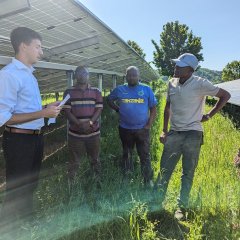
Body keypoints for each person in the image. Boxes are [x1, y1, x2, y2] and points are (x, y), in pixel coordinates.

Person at [156, 53, 231, 220]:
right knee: (164, 170)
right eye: (176, 64)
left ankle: (181, 207)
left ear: (189, 69)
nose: (175, 67)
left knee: (187, 172)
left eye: (179, 65)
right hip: (175, 132)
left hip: (193, 133)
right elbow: (167, 107)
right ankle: (156, 204)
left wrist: (209, 115)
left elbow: (225, 95)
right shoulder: (172, 83)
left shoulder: (200, 83)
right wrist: (164, 130)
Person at [0, 27, 61, 222]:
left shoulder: (30, 76)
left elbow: (26, 109)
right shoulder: (9, 75)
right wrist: (43, 113)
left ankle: (27, 222)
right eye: (38, 47)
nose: (41, 52)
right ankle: (10, 227)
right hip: (19, 139)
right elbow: (4, 117)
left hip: (35, 137)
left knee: (30, 184)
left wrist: (46, 107)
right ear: (23, 46)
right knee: (16, 188)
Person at [107, 66, 157, 186]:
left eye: (134, 75)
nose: (132, 77)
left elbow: (153, 108)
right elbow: (109, 100)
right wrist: (118, 109)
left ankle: (147, 180)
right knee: (127, 153)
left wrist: (148, 125)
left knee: (144, 154)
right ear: (126, 76)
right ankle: (127, 177)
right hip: (125, 129)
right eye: (129, 75)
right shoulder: (120, 89)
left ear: (139, 76)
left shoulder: (146, 89)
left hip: (142, 129)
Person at [63, 66, 103, 186]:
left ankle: (97, 182)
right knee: (74, 161)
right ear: (75, 76)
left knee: (95, 159)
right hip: (75, 134)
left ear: (88, 75)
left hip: (93, 133)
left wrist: (89, 123)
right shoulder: (68, 92)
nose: (82, 75)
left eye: (84, 73)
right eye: (79, 73)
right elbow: (67, 111)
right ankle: (72, 187)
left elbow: (99, 109)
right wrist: (79, 124)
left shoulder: (96, 91)